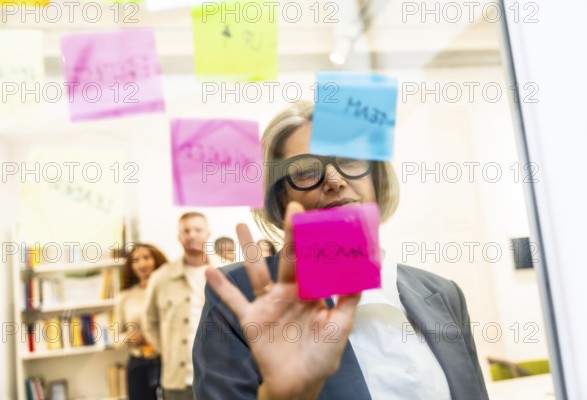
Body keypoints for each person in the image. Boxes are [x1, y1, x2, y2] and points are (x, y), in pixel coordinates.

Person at [192, 101, 489, 400]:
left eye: (349, 159)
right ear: (281, 195)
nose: (334, 180)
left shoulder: (443, 294)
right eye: (307, 170)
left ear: (375, 177)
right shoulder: (240, 297)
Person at [143, 212, 227, 400]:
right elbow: (149, 322)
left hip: (221, 377)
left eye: (198, 230)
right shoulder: (161, 278)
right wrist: (170, 350)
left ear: (208, 234)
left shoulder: (228, 273)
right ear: (179, 237)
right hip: (177, 381)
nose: (192, 235)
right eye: (186, 231)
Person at [115, 243, 167, 400]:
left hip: (167, 361)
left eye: (146, 257)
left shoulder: (168, 291)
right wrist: (127, 338)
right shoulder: (125, 297)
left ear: (156, 260)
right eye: (136, 260)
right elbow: (115, 337)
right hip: (139, 364)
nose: (142, 264)